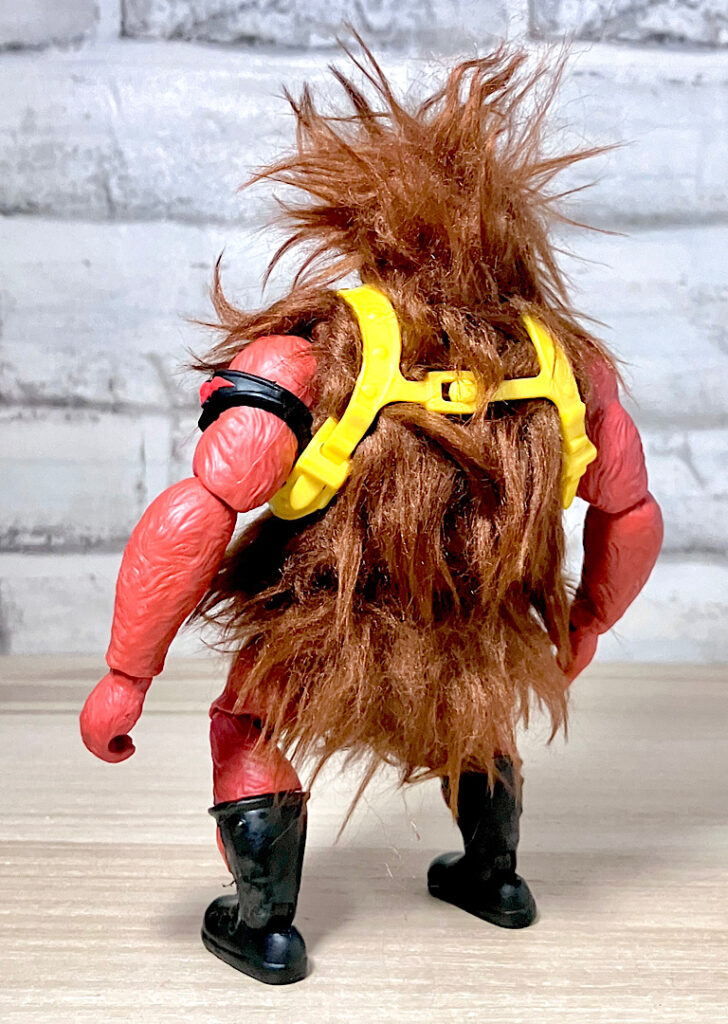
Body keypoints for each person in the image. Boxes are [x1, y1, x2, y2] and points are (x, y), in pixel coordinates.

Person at [80, 44, 663, 985]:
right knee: (480, 721)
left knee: (249, 722)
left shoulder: (316, 352)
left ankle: (266, 924)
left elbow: (196, 509)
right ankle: (495, 876)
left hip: (326, 633)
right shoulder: (565, 364)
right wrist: (586, 619)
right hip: (476, 631)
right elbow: (630, 512)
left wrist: (126, 672)